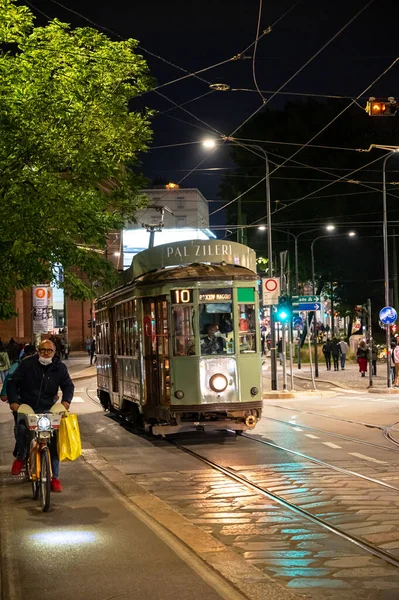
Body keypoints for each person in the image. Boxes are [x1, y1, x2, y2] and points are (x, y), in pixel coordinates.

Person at [7, 339, 74, 492]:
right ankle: (21, 456)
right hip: (27, 406)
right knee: (22, 430)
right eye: (42, 350)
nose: (45, 353)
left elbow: (68, 386)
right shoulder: (27, 364)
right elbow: (13, 383)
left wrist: (65, 402)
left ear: (54, 352)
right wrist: (14, 402)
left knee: (54, 441)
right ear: (38, 350)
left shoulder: (60, 367)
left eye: (49, 350)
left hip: (48, 409)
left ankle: (54, 477)